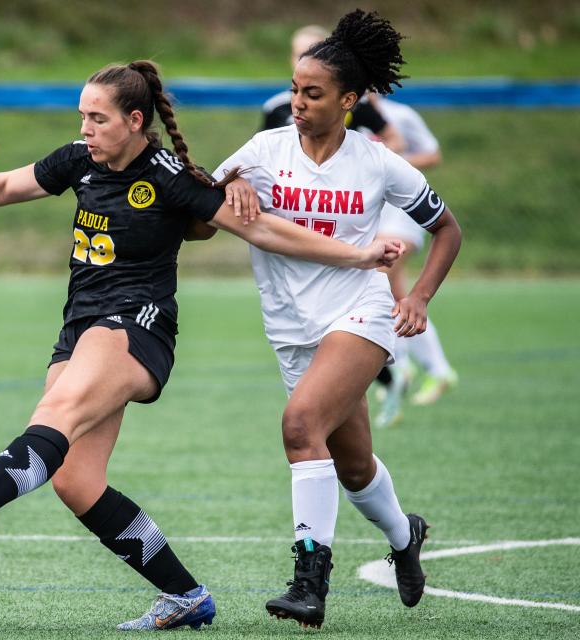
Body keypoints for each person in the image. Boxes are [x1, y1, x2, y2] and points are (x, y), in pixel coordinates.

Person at [0, 60, 401, 631]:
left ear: (134, 121)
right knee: (75, 480)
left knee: (56, 412)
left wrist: (359, 254)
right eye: (81, 116)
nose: (85, 128)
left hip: (136, 326)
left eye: (97, 118)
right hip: (80, 325)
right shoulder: (78, 160)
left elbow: (261, 229)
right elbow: (8, 186)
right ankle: (185, 595)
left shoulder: (168, 176)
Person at [213, 9, 462, 629]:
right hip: (290, 329)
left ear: (349, 100)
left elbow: (447, 230)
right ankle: (407, 535)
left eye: (313, 93)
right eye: (295, 89)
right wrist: (229, 192)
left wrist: (419, 298)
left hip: (360, 313)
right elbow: (195, 220)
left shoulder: (376, 161)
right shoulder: (262, 151)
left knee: (300, 427)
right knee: (351, 467)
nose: (297, 102)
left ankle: (308, 581)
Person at [371, 95, 458, 427]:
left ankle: (399, 367)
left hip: (402, 213)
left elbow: (433, 154)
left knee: (381, 275)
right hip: (372, 216)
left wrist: (392, 163)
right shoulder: (342, 117)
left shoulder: (400, 116)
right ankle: (436, 370)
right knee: (394, 293)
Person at [260, 24, 406, 155]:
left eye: (314, 54)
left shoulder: (356, 104)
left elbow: (396, 141)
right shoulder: (275, 107)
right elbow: (262, 153)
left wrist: (358, 163)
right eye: (299, 54)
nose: (305, 60)